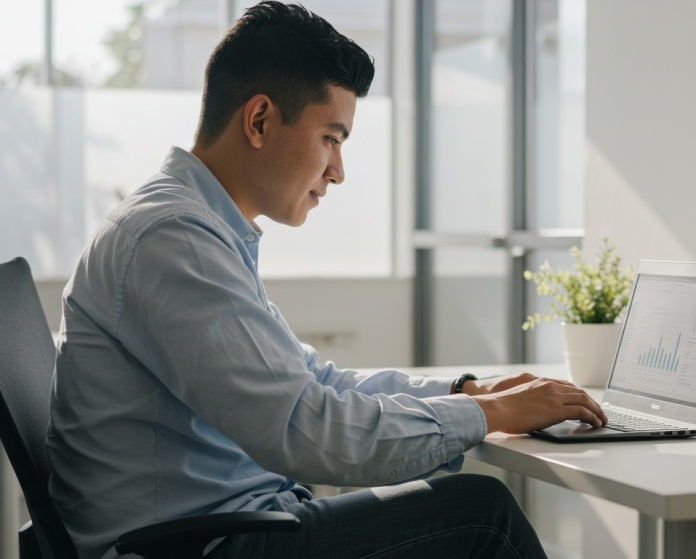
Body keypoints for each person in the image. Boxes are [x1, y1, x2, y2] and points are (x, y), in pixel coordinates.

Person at [47, 2, 607, 558]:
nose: (338, 171)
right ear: (259, 120)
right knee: (482, 515)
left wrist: (466, 393)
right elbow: (305, 427)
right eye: (331, 139)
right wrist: (492, 415)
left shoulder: (197, 225)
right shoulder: (174, 238)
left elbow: (313, 382)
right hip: (200, 545)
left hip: (226, 524)